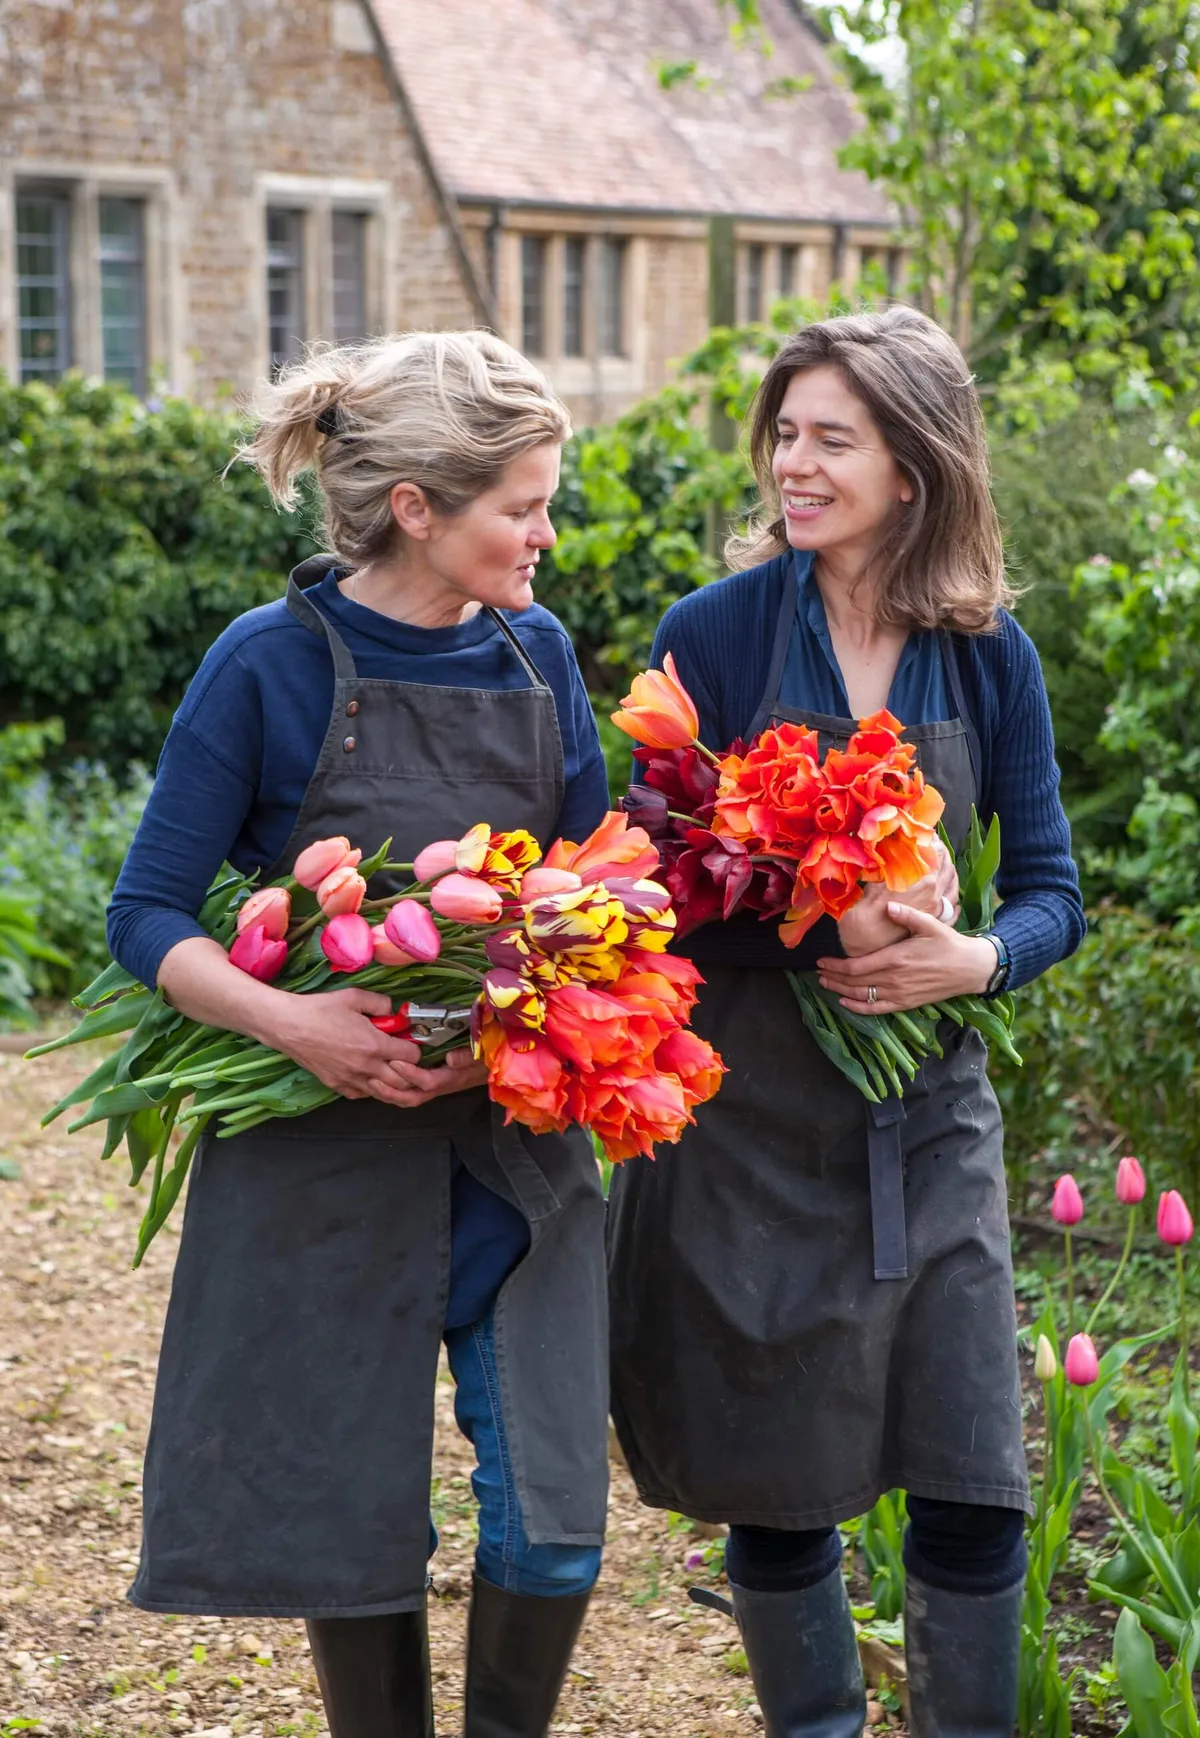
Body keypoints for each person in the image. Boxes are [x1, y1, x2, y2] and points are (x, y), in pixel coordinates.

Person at [106, 331, 612, 1738]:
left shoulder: (539, 652)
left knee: (557, 1511)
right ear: (417, 509)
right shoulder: (267, 663)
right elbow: (148, 914)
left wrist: (530, 1013)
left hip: (512, 1148)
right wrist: (299, 1023)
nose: (545, 532)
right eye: (521, 504)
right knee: (351, 1517)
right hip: (325, 1155)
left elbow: (592, 877)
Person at [606, 307, 1085, 1738]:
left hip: (926, 1115)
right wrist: (815, 914)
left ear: (914, 468)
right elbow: (656, 889)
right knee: (782, 1477)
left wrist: (976, 959)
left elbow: (1056, 889)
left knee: (972, 1478)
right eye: (786, 435)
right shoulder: (715, 633)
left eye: (832, 440)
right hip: (750, 1119)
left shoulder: (987, 656)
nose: (793, 466)